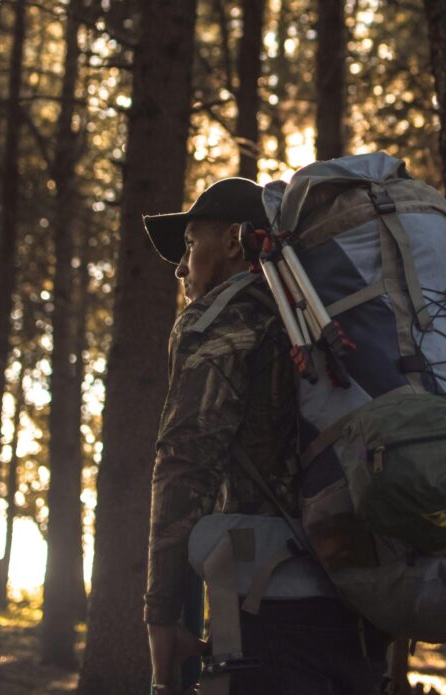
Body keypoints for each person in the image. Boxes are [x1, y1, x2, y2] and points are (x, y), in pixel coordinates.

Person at [142, 177, 387, 695]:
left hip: (268, 608)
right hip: (365, 604)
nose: (182, 268)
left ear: (234, 241)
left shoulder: (222, 321)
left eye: (189, 245)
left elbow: (184, 463)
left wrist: (161, 616)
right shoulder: (321, 323)